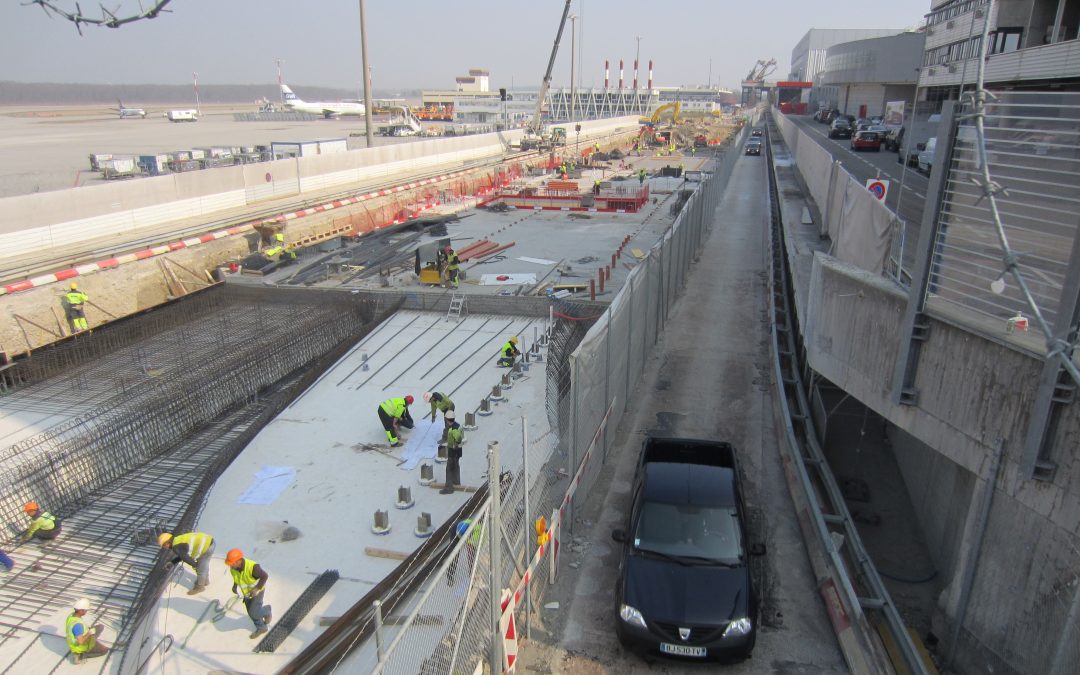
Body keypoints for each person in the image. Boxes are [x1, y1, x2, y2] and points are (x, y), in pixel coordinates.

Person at [225, 548, 272, 639]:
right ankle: (262, 627)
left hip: (257, 591)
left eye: (232, 563)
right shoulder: (233, 569)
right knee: (251, 612)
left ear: (238, 561)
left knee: (253, 612)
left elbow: (264, 576)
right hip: (246, 593)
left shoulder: (253, 567)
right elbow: (236, 578)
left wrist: (256, 589)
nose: (230, 565)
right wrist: (235, 586)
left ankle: (267, 610)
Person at [158, 531, 215, 595]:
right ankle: (205, 581)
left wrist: (195, 565)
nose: (164, 548)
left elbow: (185, 557)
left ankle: (200, 587)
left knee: (200, 568)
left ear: (167, 543)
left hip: (207, 546)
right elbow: (182, 555)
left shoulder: (176, 547)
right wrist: (172, 562)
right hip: (208, 541)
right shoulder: (177, 539)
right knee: (203, 566)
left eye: (163, 546)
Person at [66, 597, 110, 664]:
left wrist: (88, 630)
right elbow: (80, 642)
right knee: (104, 650)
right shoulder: (77, 626)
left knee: (100, 627)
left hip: (78, 639)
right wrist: (89, 633)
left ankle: (91, 643)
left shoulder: (71, 616)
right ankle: (81, 655)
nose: (86, 612)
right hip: (81, 646)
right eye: (85, 610)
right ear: (81, 610)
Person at [439, 410, 465, 494]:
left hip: (453, 451)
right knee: (456, 466)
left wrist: (455, 444)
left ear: (447, 419)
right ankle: (456, 482)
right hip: (458, 451)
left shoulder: (454, 429)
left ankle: (449, 488)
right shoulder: (457, 425)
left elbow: (458, 438)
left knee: (449, 469)